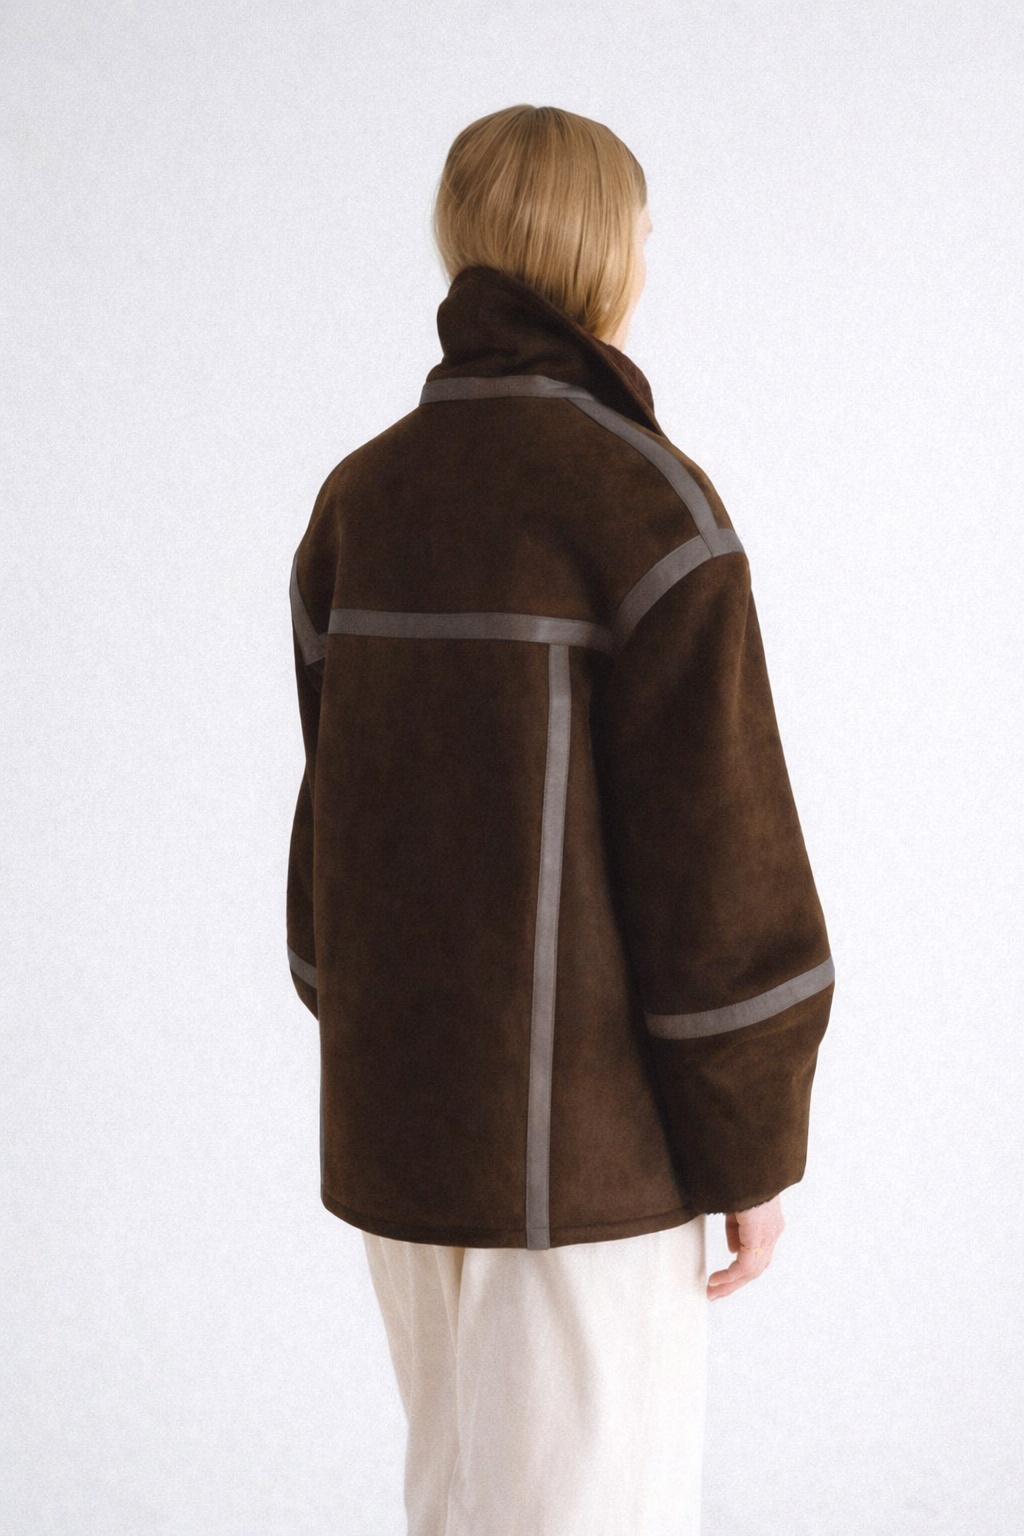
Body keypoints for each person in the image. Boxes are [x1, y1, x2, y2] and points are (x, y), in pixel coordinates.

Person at [286, 104, 835, 1536]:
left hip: (405, 1141)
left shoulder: (364, 497)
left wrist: (366, 1032)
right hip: (590, 1175)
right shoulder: (642, 504)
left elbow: (330, 832)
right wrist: (752, 1147)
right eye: (645, 232)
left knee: (458, 1508)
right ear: (609, 254)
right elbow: (721, 875)